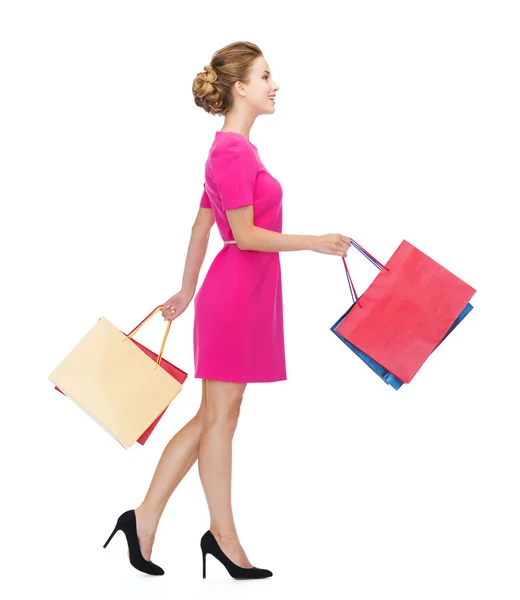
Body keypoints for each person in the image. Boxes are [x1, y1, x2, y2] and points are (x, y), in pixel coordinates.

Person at [103, 41, 351, 580]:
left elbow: (200, 227)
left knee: (217, 418)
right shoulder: (233, 153)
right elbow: (243, 234)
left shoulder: (230, 150)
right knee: (219, 420)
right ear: (240, 88)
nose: (274, 85)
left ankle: (145, 519)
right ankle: (220, 536)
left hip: (238, 294)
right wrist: (315, 241)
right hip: (238, 295)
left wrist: (187, 290)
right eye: (265, 76)